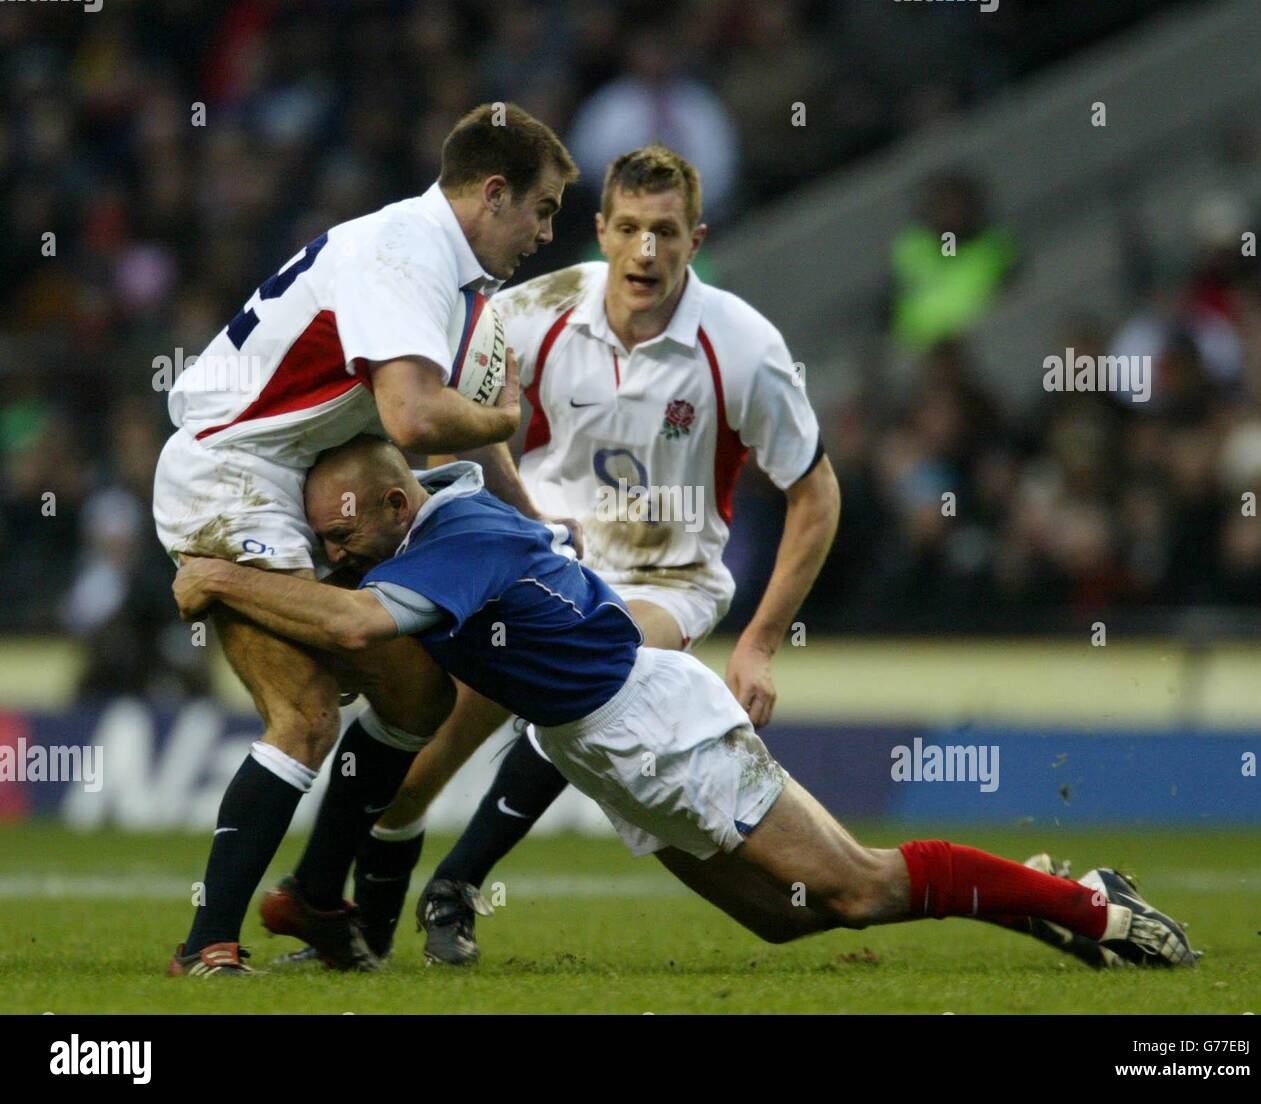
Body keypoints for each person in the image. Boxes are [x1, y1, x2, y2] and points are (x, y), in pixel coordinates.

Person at [172, 436, 1199, 973]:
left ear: (396, 508)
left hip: (653, 719)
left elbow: (352, 631)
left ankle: (1091, 907)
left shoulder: (459, 540)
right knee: (785, 924)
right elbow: (432, 458)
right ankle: (1039, 896)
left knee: (853, 887)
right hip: (593, 744)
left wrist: (219, 580)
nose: (335, 558)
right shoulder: (426, 508)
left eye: (342, 537)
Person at [279, 144, 840, 966]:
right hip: (537, 564)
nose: (648, 252)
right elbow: (467, 416)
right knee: (412, 775)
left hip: (665, 580)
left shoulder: (744, 347)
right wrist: (526, 519)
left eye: (669, 233)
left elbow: (816, 494)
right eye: (633, 229)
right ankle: (363, 939)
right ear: (603, 231)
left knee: (584, 678)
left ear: (698, 238)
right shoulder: (536, 312)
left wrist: (757, 642)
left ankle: (458, 885)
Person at [155, 103, 578, 976]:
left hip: (290, 477)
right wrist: (506, 410)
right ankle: (208, 945)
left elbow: (449, 424)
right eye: (541, 210)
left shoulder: (453, 277)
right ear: (492, 192)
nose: (544, 233)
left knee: (419, 701)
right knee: (306, 715)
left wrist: (534, 525)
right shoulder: (403, 253)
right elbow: (416, 415)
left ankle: (312, 893)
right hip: (227, 476)